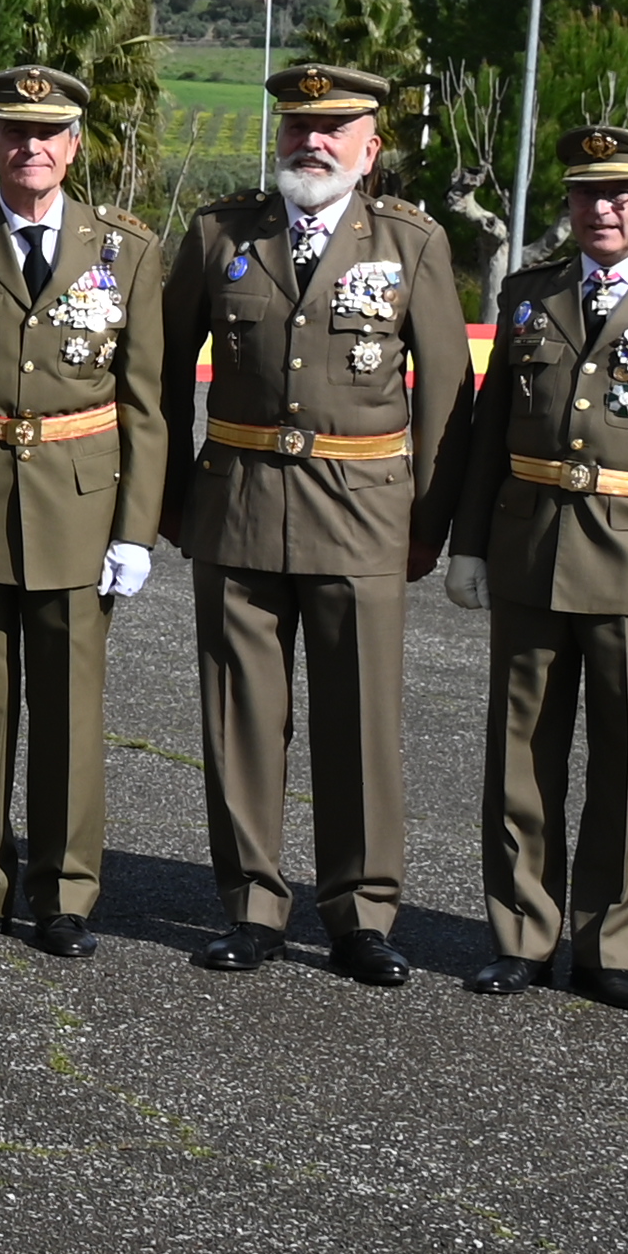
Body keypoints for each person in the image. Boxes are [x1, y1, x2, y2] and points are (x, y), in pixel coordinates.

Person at [155, 60, 470, 983]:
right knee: (240, 717)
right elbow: (165, 380)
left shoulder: (409, 242)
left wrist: (430, 524)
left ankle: (361, 913)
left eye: (335, 128)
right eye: (298, 126)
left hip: (364, 512)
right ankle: (252, 904)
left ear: (372, 148)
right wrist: (172, 503)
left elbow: (449, 393)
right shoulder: (221, 233)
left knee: (360, 722)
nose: (313, 141)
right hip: (240, 505)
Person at [439, 125, 628, 1007]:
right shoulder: (533, 294)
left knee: (627, 765)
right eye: (585, 194)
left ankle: (610, 946)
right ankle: (521, 936)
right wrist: (468, 546)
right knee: (520, 759)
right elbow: (491, 431)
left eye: (622, 195)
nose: (602, 209)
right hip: (530, 548)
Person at [0, 64, 165, 955]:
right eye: (14, 132)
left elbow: (148, 406)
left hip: (79, 502)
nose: (31, 147)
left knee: (67, 710)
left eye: (48, 132)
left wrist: (137, 531)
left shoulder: (125, 249)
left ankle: (65, 895)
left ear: (74, 146)